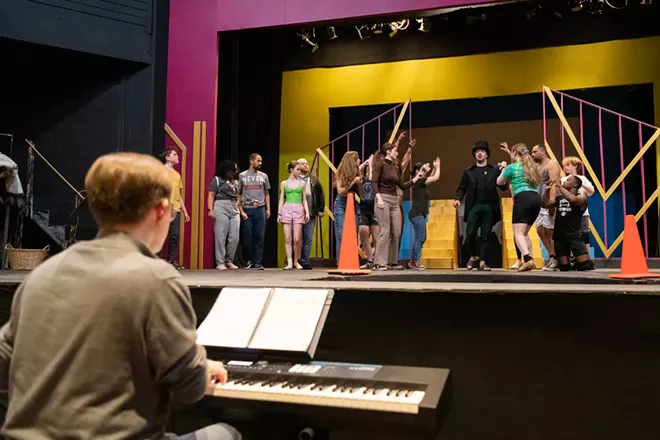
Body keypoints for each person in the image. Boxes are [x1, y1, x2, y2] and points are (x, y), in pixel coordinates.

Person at [0, 152, 239, 440]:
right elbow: (189, 387)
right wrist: (202, 366)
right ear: (162, 210)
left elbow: (5, 366)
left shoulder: (40, 276)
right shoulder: (157, 279)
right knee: (228, 433)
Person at [454, 141, 506, 271]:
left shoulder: (494, 171)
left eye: (482, 151)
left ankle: (483, 261)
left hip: (489, 207)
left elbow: (503, 186)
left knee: (486, 234)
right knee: (470, 233)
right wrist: (458, 199)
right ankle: (474, 256)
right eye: (477, 151)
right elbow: (462, 188)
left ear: (487, 154)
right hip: (473, 206)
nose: (479, 153)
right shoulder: (468, 172)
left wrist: (504, 171)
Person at [372, 142, 425, 271]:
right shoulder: (380, 164)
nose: (397, 152)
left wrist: (417, 177)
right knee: (385, 230)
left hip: (394, 201)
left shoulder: (396, 167)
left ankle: (392, 261)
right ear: (388, 151)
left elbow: (402, 185)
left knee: (397, 231)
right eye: (395, 150)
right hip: (382, 198)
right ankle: (379, 262)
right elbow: (373, 182)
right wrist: (378, 198)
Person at [497, 142, 542, 272]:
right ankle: (531, 259)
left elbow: (499, 182)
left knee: (518, 233)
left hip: (522, 198)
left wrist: (503, 170)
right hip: (535, 199)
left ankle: (527, 259)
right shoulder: (532, 167)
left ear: (515, 153)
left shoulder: (512, 167)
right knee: (525, 233)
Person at [542, 175, 595, 271]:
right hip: (559, 235)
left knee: (585, 265)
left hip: (573, 234)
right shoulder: (560, 198)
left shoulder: (582, 197)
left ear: (575, 184)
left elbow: (572, 200)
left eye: (568, 180)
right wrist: (546, 191)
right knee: (563, 267)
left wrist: (559, 186)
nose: (565, 181)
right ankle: (568, 262)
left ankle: (577, 261)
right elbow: (545, 204)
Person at [531, 144, 562, 271]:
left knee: (550, 231)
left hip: (549, 201)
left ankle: (558, 259)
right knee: (540, 230)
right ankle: (552, 256)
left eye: (535, 152)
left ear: (542, 152)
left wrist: (552, 201)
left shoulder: (552, 164)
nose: (532, 154)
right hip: (539, 202)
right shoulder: (537, 167)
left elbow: (554, 183)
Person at [159, 148, 190, 269]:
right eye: (174, 154)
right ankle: (158, 260)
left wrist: (185, 211)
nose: (177, 156)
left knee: (175, 235)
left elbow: (178, 194)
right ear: (167, 157)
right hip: (164, 207)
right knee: (161, 234)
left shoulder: (177, 175)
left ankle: (172, 260)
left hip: (175, 209)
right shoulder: (161, 171)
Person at [238, 153, 271, 270]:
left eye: (261, 161)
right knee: (247, 236)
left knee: (259, 236)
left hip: (260, 208)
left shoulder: (264, 176)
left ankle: (258, 262)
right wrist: (240, 210)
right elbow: (239, 193)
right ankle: (249, 259)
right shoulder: (242, 176)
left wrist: (268, 209)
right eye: (258, 161)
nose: (260, 163)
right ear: (251, 161)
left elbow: (266, 193)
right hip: (247, 209)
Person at [408, 157, 441, 270]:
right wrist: (438, 167)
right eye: (418, 170)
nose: (420, 172)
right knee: (420, 237)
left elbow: (429, 178)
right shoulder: (418, 181)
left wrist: (432, 169)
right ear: (415, 172)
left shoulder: (421, 182)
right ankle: (413, 261)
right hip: (416, 213)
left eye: (421, 169)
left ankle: (415, 260)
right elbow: (436, 178)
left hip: (419, 213)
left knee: (422, 237)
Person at [208, 160, 241, 270]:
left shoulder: (236, 181)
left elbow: (239, 194)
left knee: (234, 237)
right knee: (220, 235)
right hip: (221, 205)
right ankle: (220, 262)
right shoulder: (217, 180)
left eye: (236, 170)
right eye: (233, 170)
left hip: (234, 207)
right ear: (226, 170)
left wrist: (238, 204)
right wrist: (210, 209)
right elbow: (211, 195)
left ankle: (229, 260)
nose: (234, 172)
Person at [278, 161, 310, 270]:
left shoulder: (302, 184)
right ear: (291, 170)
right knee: (287, 238)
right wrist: (279, 213)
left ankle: (296, 261)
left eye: (300, 170)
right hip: (287, 209)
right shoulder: (284, 183)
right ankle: (290, 262)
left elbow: (304, 199)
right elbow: (281, 199)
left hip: (298, 208)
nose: (299, 171)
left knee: (297, 239)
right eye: (297, 169)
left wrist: (307, 212)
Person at [333, 151, 364, 261]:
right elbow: (340, 191)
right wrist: (353, 182)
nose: (359, 161)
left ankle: (351, 261)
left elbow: (361, 194)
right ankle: (341, 261)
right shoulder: (340, 172)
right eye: (357, 159)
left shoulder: (356, 173)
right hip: (341, 203)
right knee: (341, 233)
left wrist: (359, 183)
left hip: (353, 203)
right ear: (352, 161)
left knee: (353, 234)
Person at [562, 156, 595, 252]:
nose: (566, 168)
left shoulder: (583, 178)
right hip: (568, 210)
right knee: (570, 233)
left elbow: (591, 191)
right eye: (564, 166)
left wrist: (580, 183)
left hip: (582, 211)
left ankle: (586, 255)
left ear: (575, 166)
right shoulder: (564, 180)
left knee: (584, 232)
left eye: (568, 165)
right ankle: (572, 256)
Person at [297, 158, 325, 270]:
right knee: (296, 239)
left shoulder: (314, 179)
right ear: (297, 166)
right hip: (296, 213)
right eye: (303, 163)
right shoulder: (293, 179)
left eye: (306, 163)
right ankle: (295, 260)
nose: (306, 165)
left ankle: (305, 261)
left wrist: (321, 209)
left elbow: (321, 194)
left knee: (308, 238)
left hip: (311, 212)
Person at [358, 155, 379, 269]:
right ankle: (369, 259)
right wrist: (363, 165)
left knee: (376, 236)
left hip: (374, 209)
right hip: (364, 209)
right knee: (363, 232)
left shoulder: (375, 179)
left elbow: (372, 179)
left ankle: (377, 260)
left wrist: (371, 164)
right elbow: (357, 176)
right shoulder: (362, 179)